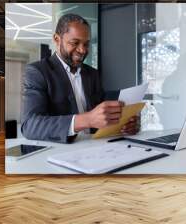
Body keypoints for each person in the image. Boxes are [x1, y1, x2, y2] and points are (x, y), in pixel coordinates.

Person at [21, 14, 139, 143]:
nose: (82, 50)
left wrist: (122, 124)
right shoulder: (37, 72)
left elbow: (102, 117)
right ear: (57, 39)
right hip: (60, 153)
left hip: (96, 148)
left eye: (86, 44)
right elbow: (29, 126)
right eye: (75, 43)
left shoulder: (92, 74)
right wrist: (86, 120)